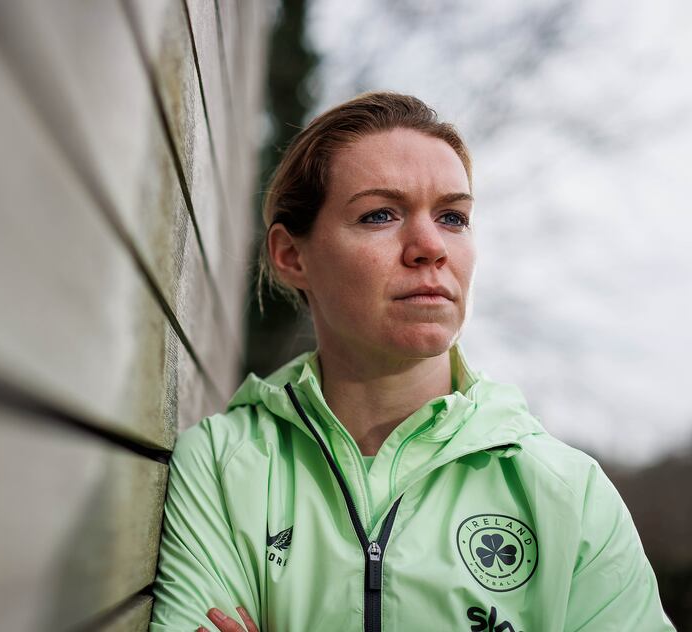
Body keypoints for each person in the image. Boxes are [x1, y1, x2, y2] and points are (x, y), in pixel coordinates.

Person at [148, 92, 674, 631]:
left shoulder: (568, 491)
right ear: (292, 256)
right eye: (380, 214)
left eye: (453, 216)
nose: (430, 246)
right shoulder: (220, 464)